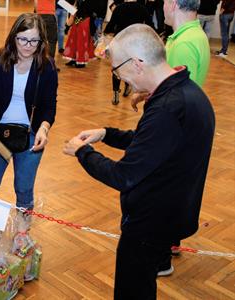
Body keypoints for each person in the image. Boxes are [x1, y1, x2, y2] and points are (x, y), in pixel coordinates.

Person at [64, 24, 215, 299]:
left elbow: (123, 176)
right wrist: (106, 134)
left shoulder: (168, 108)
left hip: (150, 221)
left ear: (137, 63)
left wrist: (82, 152)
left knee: (133, 290)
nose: (121, 78)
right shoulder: (187, 92)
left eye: (117, 70)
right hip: (170, 213)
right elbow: (152, 143)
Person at [0, 13, 57, 211]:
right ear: (14, 36)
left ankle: (21, 235)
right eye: (23, 39)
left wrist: (43, 129)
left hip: (30, 135)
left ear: (41, 41)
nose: (28, 45)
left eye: (34, 40)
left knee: (23, 190)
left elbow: (49, 106)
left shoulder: (46, 67)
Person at [104, 0, 151, 104]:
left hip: (120, 41)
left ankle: (115, 94)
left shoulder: (119, 8)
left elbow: (110, 26)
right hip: (135, 42)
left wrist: (106, 32)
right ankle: (127, 87)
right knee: (130, 66)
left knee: (117, 67)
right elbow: (149, 25)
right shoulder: (142, 9)